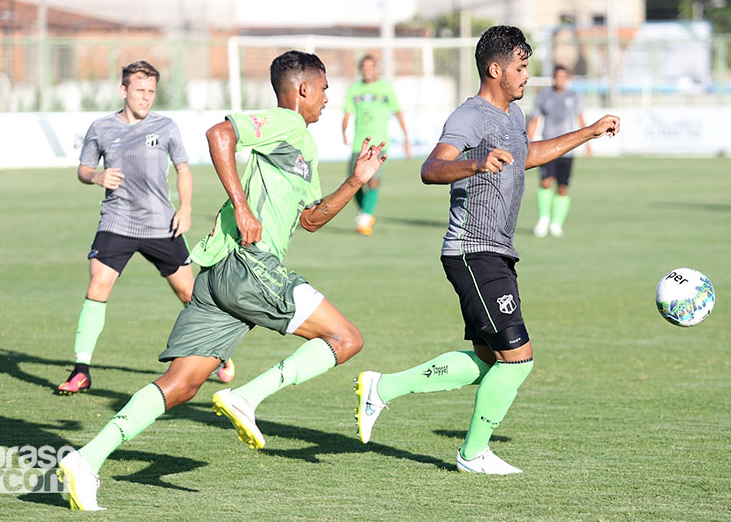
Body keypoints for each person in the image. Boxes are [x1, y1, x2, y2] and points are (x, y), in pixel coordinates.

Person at [56, 50, 386, 510]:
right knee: (346, 338)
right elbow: (219, 134)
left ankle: (86, 460)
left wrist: (356, 180)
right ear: (304, 89)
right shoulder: (285, 122)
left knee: (182, 384)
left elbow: (310, 219)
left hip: (219, 277)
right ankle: (248, 397)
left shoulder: (303, 145)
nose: (329, 98)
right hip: (251, 265)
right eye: (325, 88)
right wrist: (243, 207)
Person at [354, 26, 619, 475]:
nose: (527, 76)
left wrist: (588, 132)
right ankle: (472, 454)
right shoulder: (470, 116)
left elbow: (528, 154)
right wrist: (475, 161)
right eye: (520, 68)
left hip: (496, 251)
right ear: (495, 69)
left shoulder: (513, 116)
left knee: (488, 359)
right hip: (472, 250)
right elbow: (431, 167)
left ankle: (382, 388)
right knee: (518, 358)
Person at [57, 60, 234, 395]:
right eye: (140, 90)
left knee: (190, 294)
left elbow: (183, 170)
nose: (146, 97)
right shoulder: (101, 128)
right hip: (117, 222)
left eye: (151, 91)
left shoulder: (166, 127)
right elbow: (83, 169)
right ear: (123, 90)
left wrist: (186, 208)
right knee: (98, 286)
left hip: (160, 223)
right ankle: (81, 369)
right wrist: (97, 177)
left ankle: (217, 354)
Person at [342, 54, 409, 235]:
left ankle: (365, 218)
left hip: (378, 144)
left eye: (371, 67)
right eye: (364, 67)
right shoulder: (354, 89)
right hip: (359, 144)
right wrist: (343, 131)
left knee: (373, 180)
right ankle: (365, 211)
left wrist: (405, 137)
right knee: (352, 182)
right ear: (360, 69)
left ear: (376, 69)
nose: (367, 70)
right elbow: (347, 113)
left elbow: (398, 111)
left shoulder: (385, 88)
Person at [526, 64, 590, 237]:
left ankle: (556, 223)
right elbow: (535, 119)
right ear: (553, 78)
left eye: (563, 77)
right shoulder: (543, 96)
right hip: (547, 148)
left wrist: (588, 142)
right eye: (557, 77)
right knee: (546, 182)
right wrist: (528, 142)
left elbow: (581, 117)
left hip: (567, 150)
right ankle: (544, 218)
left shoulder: (574, 96)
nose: (559, 80)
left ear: (567, 79)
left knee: (562, 187)